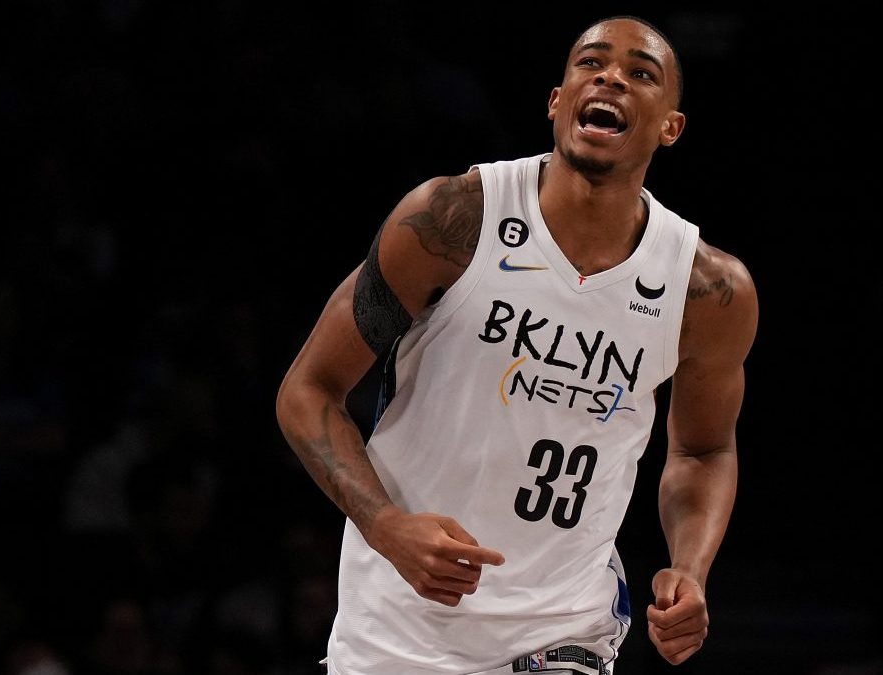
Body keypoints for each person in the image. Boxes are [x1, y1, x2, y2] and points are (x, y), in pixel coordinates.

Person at [275, 15, 758, 674]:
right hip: (397, 630)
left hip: (563, 632)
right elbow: (308, 391)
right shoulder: (453, 220)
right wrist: (384, 525)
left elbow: (704, 449)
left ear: (670, 127)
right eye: (591, 63)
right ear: (558, 101)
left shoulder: (708, 289)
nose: (612, 78)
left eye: (641, 73)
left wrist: (691, 568)